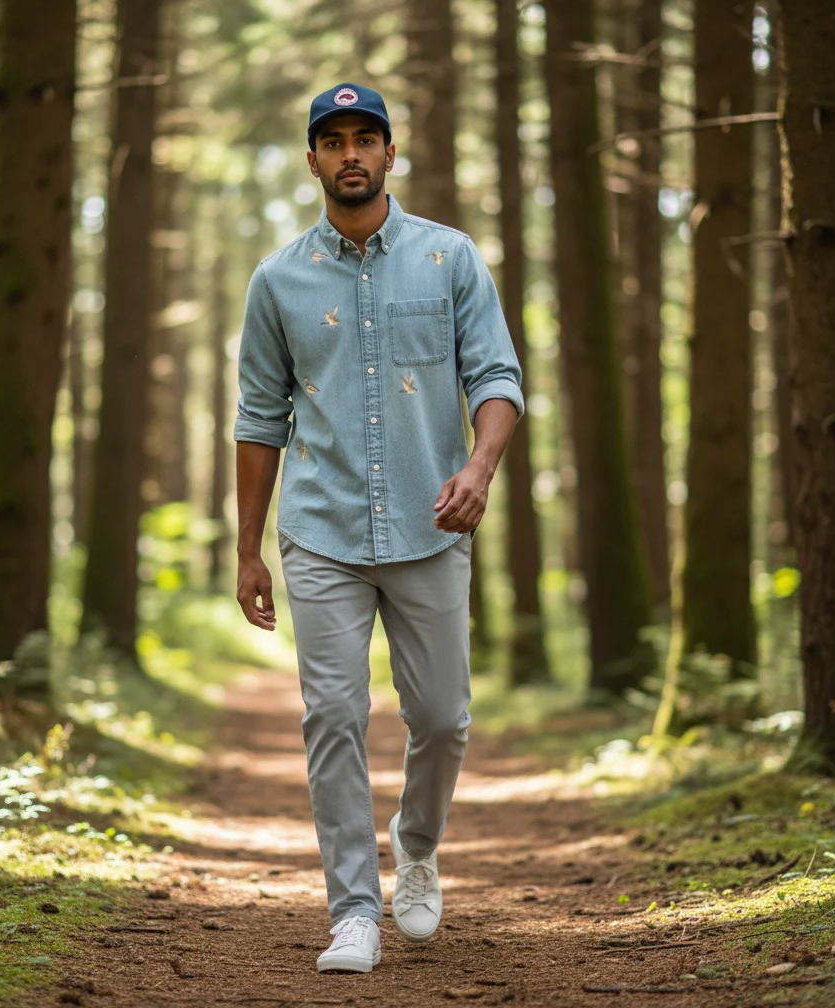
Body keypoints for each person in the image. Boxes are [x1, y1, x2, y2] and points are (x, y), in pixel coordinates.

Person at [233, 82, 524, 973]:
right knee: (333, 713)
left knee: (442, 718)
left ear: (391, 154)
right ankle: (353, 909)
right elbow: (257, 418)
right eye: (334, 140)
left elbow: (499, 378)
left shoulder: (449, 258)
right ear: (314, 158)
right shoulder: (278, 279)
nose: (351, 153)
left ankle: (418, 845)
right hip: (320, 530)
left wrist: (478, 469)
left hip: (431, 526)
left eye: (367, 138)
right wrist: (247, 547)